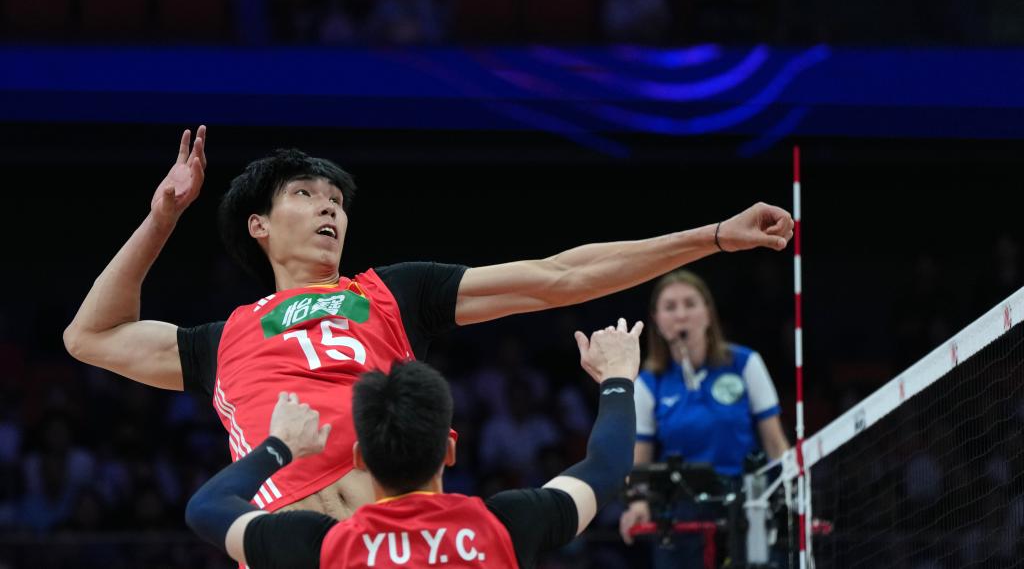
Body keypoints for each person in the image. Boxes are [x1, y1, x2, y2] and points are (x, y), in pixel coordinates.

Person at [63, 126, 794, 519]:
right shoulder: (221, 340)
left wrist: (714, 236)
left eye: (336, 200)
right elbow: (89, 336)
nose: (329, 207)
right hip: (294, 543)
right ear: (258, 225)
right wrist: (164, 216)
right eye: (306, 195)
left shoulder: (391, 293)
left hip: (407, 539)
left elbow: (559, 276)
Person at [185, 318, 643, 569]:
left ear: (361, 457)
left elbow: (205, 508)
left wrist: (279, 447)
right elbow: (607, 466)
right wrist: (618, 377)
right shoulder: (506, 524)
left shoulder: (323, 545)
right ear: (449, 449)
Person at [618, 270, 789, 567]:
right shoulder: (648, 383)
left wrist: (793, 495)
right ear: (656, 320)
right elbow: (639, 458)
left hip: (746, 502)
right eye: (670, 307)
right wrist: (638, 502)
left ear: (708, 313)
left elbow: (775, 443)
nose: (681, 315)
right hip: (682, 510)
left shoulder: (745, 363)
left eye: (690, 303)